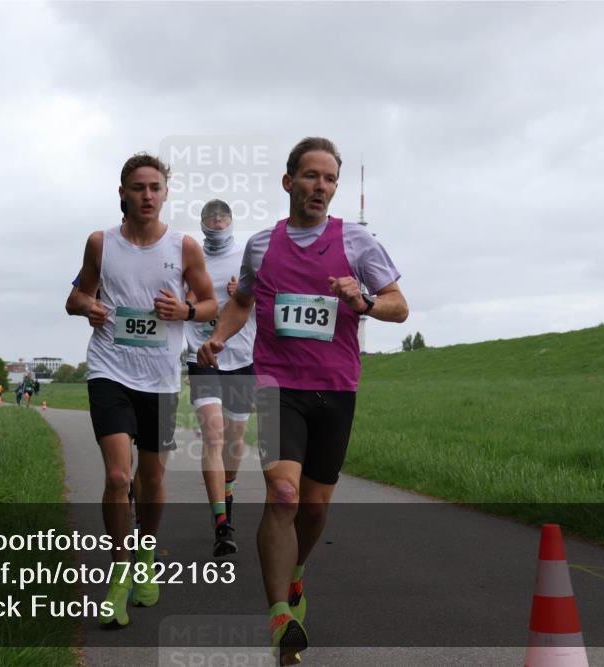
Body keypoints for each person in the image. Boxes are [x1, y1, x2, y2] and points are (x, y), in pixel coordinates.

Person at [198, 137, 408, 663]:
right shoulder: (262, 246)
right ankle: (278, 617)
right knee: (284, 496)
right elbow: (241, 301)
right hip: (276, 386)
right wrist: (221, 337)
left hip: (336, 389)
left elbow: (399, 307)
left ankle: (295, 575)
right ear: (288, 181)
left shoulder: (357, 242)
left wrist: (361, 300)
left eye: (330, 179)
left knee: (314, 508)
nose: (321, 187)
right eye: (311, 176)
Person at [66, 152, 216, 628]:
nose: (147, 195)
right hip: (109, 369)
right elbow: (75, 297)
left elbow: (212, 303)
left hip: (159, 377)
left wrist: (186, 313)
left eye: (155, 187)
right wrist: (87, 306)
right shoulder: (100, 244)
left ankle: (146, 554)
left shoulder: (184, 247)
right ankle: (119, 572)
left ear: (165, 193)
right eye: (138, 187)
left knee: (150, 480)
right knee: (116, 477)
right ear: (123, 194)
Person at [184, 199, 256, 557]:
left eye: (221, 217)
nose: (215, 223)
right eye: (209, 218)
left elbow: (264, 299)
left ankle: (227, 491)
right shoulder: (191, 257)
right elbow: (178, 303)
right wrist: (188, 303)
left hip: (242, 357)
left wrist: (242, 298)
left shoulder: (247, 254)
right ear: (202, 224)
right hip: (202, 356)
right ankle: (221, 524)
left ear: (231, 221)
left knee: (234, 441)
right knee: (213, 431)